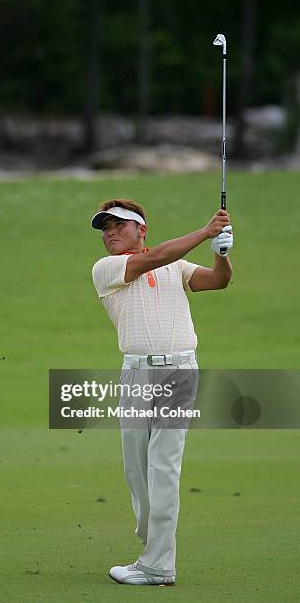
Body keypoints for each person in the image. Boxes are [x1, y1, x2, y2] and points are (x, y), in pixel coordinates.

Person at [91, 198, 233, 586]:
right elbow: (151, 262)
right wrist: (205, 232)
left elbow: (218, 281)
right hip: (135, 376)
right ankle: (153, 544)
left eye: (119, 225)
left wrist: (220, 253)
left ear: (142, 230)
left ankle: (157, 565)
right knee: (137, 472)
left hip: (179, 372)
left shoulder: (177, 265)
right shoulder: (107, 269)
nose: (110, 233)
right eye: (105, 228)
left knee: (163, 469)